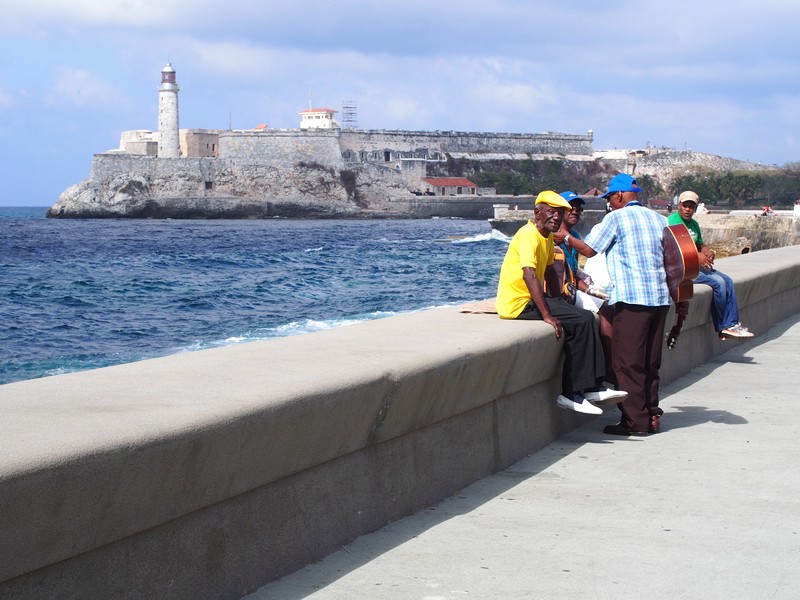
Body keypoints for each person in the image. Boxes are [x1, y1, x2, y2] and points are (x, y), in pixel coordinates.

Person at [495, 190, 627, 415]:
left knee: (585, 318)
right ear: (537, 213)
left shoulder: (546, 237)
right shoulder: (528, 234)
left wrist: (560, 304)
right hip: (518, 303)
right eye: (552, 212)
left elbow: (548, 274)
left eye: (560, 213)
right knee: (582, 319)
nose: (556, 217)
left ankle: (593, 387)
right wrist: (548, 315)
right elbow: (529, 274)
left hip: (532, 299)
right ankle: (570, 393)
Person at [565, 174, 671, 436]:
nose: (610, 203)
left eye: (611, 197)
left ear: (621, 195)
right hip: (660, 298)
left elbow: (589, 249)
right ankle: (652, 415)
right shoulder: (660, 219)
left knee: (627, 362)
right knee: (650, 361)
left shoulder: (616, 217)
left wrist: (566, 237)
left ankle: (635, 422)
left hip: (633, 299)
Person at [668, 190, 754, 339]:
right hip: (682, 269)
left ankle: (733, 323)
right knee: (719, 283)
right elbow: (675, 250)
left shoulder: (693, 224)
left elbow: (699, 243)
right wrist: (697, 258)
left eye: (691, 207)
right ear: (679, 205)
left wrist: (708, 251)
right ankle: (724, 325)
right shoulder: (673, 222)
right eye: (685, 206)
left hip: (694, 265)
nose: (688, 209)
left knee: (727, 280)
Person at [552, 191, 615, 382]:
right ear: (561, 210)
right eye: (571, 208)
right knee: (605, 310)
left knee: (610, 305)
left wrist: (590, 288)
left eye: (579, 209)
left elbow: (573, 270)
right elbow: (559, 275)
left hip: (574, 288)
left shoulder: (575, 235)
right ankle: (608, 366)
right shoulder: (555, 236)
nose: (575, 212)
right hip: (563, 294)